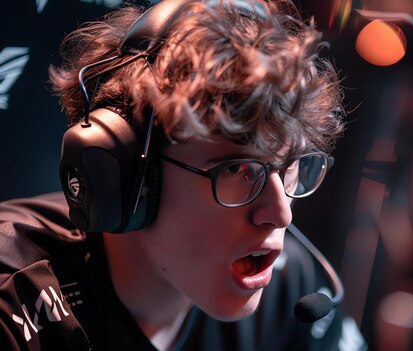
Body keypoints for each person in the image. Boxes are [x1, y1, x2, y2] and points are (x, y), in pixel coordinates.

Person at [0, 0, 365, 349]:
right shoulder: (12, 298)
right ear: (131, 176)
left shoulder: (290, 282)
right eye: (237, 169)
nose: (280, 212)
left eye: (290, 167)